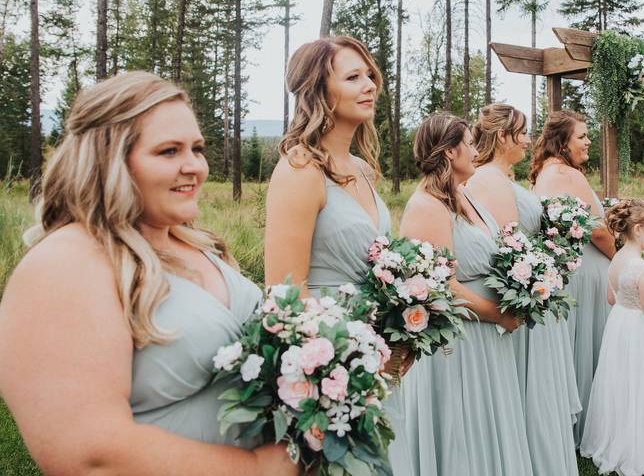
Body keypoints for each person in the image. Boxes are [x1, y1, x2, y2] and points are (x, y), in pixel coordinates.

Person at [0, 72, 296, 476]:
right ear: (110, 160)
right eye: (169, 151)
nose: (194, 166)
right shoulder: (65, 264)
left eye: (197, 148)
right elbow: (89, 455)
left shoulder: (199, 244)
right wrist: (260, 469)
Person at [263, 36, 413, 473]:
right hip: (329, 360)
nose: (370, 84)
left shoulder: (363, 169)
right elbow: (284, 293)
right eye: (353, 77)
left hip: (378, 354)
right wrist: (348, 355)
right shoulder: (300, 169)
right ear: (318, 91)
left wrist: (399, 329)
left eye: (369, 74)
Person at [400, 113, 533, 476]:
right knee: (462, 431)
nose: (476, 149)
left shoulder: (463, 195)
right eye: (470, 144)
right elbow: (441, 287)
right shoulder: (426, 207)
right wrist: (499, 314)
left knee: (488, 424)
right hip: (458, 339)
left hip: (485, 336)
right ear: (449, 152)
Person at [465, 103, 580, 476]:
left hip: (538, 289)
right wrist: (544, 268)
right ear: (503, 136)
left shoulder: (502, 178)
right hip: (526, 295)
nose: (530, 140)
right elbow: (508, 245)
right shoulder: (489, 179)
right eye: (523, 132)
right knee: (533, 392)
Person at [580, 199, 644, 476]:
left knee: (624, 386)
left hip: (621, 327)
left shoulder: (616, 259)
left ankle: (618, 439)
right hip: (643, 333)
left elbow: (613, 297)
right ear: (638, 229)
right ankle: (641, 448)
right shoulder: (642, 268)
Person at [530, 109, 615, 446]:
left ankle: (570, 425)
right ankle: (592, 426)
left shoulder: (543, 174)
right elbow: (598, 233)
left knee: (572, 346)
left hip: (566, 275)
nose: (588, 141)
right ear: (562, 141)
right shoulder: (570, 175)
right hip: (589, 272)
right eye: (582, 136)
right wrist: (622, 257)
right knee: (592, 346)